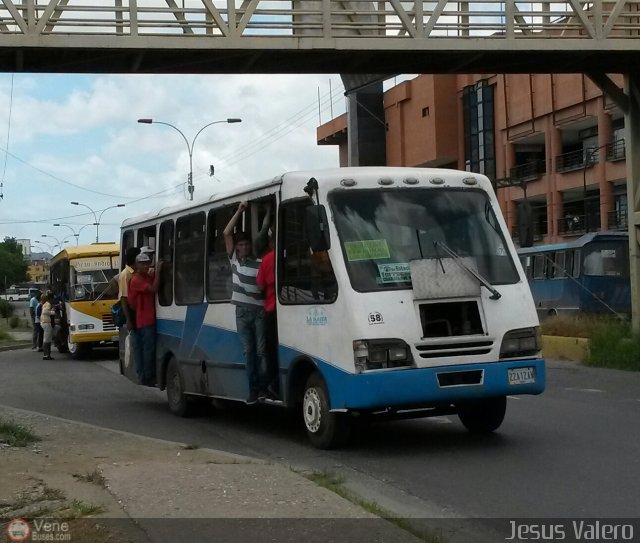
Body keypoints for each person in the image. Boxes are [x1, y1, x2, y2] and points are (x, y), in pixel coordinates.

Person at [224, 201, 267, 404]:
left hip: (258, 311)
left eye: (246, 244)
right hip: (241, 312)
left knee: (261, 352)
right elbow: (226, 233)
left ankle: (263, 388)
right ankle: (253, 390)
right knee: (249, 352)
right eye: (240, 244)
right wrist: (240, 211)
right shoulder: (234, 260)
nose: (243, 247)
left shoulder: (259, 263)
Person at [128, 252, 162, 386]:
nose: (146, 266)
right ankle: (146, 377)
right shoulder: (136, 280)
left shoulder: (147, 277)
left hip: (149, 319)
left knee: (148, 350)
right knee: (146, 351)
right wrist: (158, 272)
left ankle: (147, 375)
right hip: (143, 321)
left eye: (147, 263)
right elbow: (154, 289)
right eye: (142, 263)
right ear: (137, 265)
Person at [256, 231, 279, 399]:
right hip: (290, 310)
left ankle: (272, 384)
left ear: (271, 243)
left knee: (270, 351)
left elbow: (260, 286)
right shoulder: (291, 255)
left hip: (271, 311)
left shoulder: (267, 259)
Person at [40, 294, 57, 360]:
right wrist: (53, 312)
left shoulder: (43, 304)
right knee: (47, 340)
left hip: (43, 322)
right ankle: (46, 355)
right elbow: (45, 312)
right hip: (46, 323)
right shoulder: (47, 304)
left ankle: (47, 354)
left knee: (48, 339)